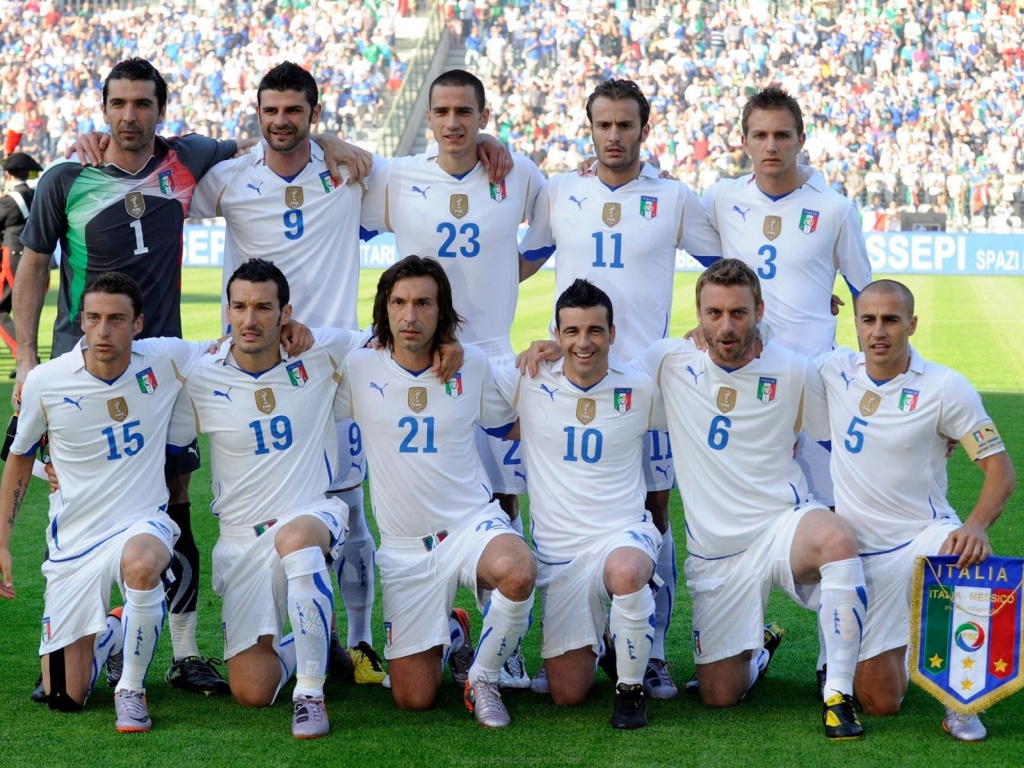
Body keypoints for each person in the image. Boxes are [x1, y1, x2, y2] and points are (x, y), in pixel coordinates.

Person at [519, 78, 722, 699]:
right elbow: (519, 264)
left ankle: (650, 650)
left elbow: (727, 269)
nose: (614, 135)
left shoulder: (674, 197)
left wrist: (725, 317)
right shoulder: (562, 190)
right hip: (572, 374)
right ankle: (553, 637)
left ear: (644, 128)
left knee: (655, 514)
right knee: (556, 499)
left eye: (625, 125)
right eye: (603, 125)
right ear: (590, 127)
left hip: (647, 387)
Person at [189, 61, 388, 687]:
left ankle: (356, 644)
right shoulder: (227, 179)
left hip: (331, 365)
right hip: (258, 366)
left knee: (350, 507)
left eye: (294, 111)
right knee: (273, 497)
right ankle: (286, 629)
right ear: (257, 112)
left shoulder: (348, 173)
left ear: (313, 114)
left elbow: (433, 176)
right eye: (270, 110)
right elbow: (157, 182)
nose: (281, 121)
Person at [362, 69, 546, 689]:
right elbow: (346, 206)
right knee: (431, 479)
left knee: (502, 499)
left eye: (464, 111)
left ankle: (506, 644)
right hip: (419, 350)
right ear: (429, 116)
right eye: (441, 110)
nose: (452, 122)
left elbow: (543, 242)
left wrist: (493, 287)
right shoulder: (398, 175)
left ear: (482, 114)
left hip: (488, 353)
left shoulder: (515, 172)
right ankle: (439, 623)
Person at [637, 258, 868, 740]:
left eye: (738, 313)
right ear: (698, 315)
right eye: (714, 313)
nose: (726, 326)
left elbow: (849, 428)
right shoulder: (667, 361)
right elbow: (599, 376)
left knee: (837, 540)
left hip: (782, 526)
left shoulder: (794, 370)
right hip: (716, 553)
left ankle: (838, 693)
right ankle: (757, 650)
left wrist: (938, 434)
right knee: (719, 696)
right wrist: (549, 347)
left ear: (759, 310)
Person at [0, 272, 213, 731]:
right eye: (93, 318)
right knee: (63, 697)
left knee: (142, 561)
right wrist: (1, 541)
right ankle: (115, 633)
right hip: (74, 542)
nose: (103, 330)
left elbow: (232, 347)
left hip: (141, 523)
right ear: (80, 322)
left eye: (116, 319)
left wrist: (296, 334)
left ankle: (130, 690)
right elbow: (18, 458)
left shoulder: (167, 358)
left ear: (138, 325)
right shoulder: (46, 381)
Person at [335, 255, 536, 728]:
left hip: (470, 525)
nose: (410, 316)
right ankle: (456, 630)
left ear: (440, 310)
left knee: (517, 569)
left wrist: (549, 358)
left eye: (423, 303)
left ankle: (482, 679)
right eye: (400, 302)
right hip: (406, 551)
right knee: (413, 698)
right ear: (384, 308)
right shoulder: (358, 367)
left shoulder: (473, 366)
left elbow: (513, 425)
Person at [817, 279, 1016, 742]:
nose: (879, 331)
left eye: (890, 320)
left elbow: (1001, 472)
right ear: (857, 325)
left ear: (912, 324)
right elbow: (767, 359)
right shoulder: (833, 370)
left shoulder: (946, 386)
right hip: (858, 559)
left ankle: (961, 702)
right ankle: (913, 645)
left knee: (961, 551)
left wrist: (977, 525)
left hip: (922, 536)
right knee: (880, 704)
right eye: (868, 320)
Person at [180, 258, 370, 738]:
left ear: (286, 313)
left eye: (264, 307)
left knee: (297, 540)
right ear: (227, 311)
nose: (250, 319)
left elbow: (393, 339)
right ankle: (312, 635)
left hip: (309, 514)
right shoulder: (200, 376)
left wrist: (448, 343)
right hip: (242, 540)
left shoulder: (322, 353)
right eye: (240, 307)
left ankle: (310, 695)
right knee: (253, 692)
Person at [492, 279, 661, 729]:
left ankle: (630, 690)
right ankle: (607, 642)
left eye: (594, 331)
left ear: (613, 333)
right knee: (567, 695)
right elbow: (471, 388)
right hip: (561, 554)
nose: (583, 342)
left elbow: (702, 398)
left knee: (625, 572)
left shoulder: (640, 387)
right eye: (571, 331)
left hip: (622, 534)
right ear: (555, 333)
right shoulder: (527, 379)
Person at [701, 85, 872, 508]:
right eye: (760, 135)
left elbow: (866, 297)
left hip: (812, 379)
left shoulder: (834, 209)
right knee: (746, 510)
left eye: (782, 135)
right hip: (743, 377)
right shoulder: (721, 197)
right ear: (744, 142)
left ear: (801, 140)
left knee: (825, 510)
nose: (771, 145)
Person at [0, 152, 43, 361]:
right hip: (34, 255)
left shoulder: (8, 201)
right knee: (28, 310)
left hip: (13, 255)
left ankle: (24, 356)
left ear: (8, 174)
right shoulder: (36, 194)